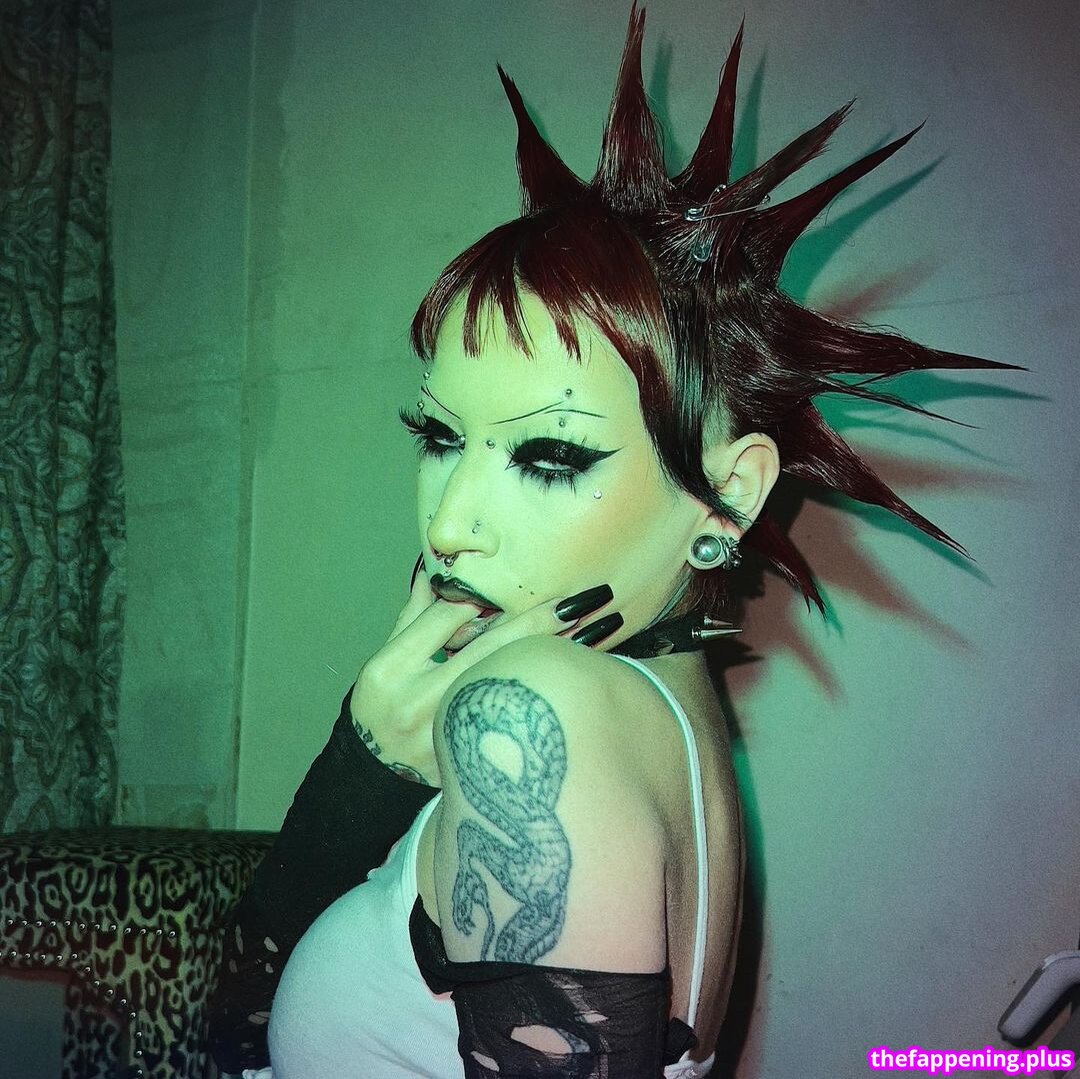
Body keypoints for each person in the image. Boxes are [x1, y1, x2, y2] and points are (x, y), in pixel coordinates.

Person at [206, 6, 1022, 1077]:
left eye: (549, 455)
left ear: (726, 496)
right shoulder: (666, 720)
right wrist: (375, 759)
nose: (448, 525)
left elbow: (229, 1037)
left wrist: (354, 778)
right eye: (440, 437)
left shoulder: (528, 714)